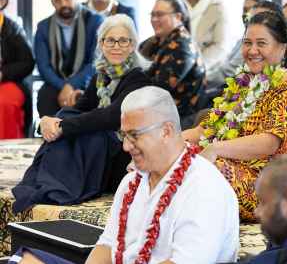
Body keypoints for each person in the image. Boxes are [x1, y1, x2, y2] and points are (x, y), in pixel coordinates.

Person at [12, 14, 151, 213]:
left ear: (132, 45)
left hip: (126, 152)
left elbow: (111, 117)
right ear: (101, 43)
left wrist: (62, 126)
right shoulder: (101, 75)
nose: (116, 46)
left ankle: (58, 186)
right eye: (110, 40)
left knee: (88, 131)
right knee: (68, 116)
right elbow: (81, 108)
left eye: (123, 40)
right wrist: (51, 121)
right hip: (107, 147)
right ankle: (45, 182)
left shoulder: (139, 78)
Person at [86, 86, 239, 264]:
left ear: (166, 131)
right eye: (124, 135)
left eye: (134, 135)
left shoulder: (205, 188)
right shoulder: (131, 182)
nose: (126, 146)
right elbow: (108, 244)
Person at [182, 11, 287, 222]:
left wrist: (215, 149)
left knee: (204, 167)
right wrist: (165, 144)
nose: (252, 50)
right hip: (229, 165)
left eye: (261, 43)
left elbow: (269, 142)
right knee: (174, 156)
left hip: (268, 185)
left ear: (282, 48)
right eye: (247, 43)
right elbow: (208, 129)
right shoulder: (242, 82)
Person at [140, 0, 205, 129]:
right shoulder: (156, 41)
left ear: (178, 17)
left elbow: (157, 90)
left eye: (159, 15)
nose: (154, 19)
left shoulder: (182, 46)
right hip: (155, 112)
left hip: (176, 119)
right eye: (152, 14)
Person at [35, 0, 103, 117]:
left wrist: (72, 85)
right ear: (52, 2)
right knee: (45, 97)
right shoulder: (43, 27)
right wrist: (64, 87)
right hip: (55, 83)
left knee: (93, 97)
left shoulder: (95, 21)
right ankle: (50, 135)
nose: (63, 4)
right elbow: (43, 66)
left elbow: (95, 62)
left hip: (86, 82)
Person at [204, 0, 271, 108]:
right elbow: (225, 64)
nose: (247, 14)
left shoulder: (261, 42)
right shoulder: (242, 39)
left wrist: (205, 79)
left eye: (252, 9)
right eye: (245, 10)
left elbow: (230, 70)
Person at [0, 0, 35, 139]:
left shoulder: (13, 28)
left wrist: (3, 74)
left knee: (4, 104)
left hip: (7, 81)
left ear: (2, 1)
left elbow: (27, 63)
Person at [181, 0, 229, 69]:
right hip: (173, 64)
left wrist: (197, 67)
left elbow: (220, 46)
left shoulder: (218, 6)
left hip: (207, 68)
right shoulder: (170, 3)